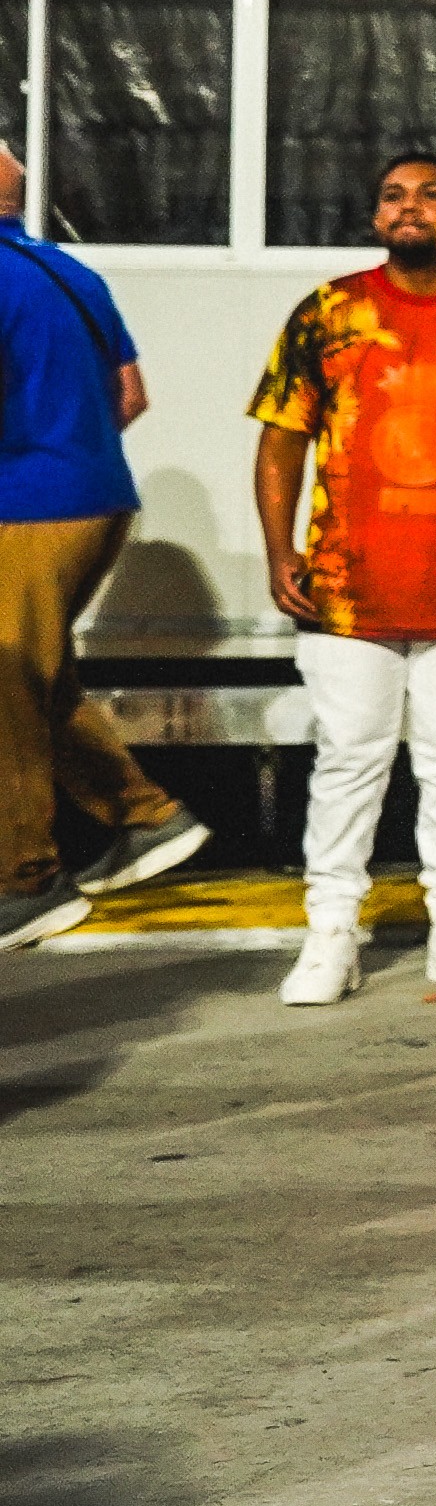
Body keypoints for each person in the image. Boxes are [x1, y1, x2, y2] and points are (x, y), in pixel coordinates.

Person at [249, 151, 436, 1005]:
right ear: (373, 216)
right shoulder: (332, 310)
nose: (410, 206)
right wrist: (280, 548)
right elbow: (282, 434)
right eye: (392, 194)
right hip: (348, 586)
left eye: (432, 193)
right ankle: (331, 935)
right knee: (348, 760)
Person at [0, 134, 206, 955]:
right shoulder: (71, 274)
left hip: (26, 506)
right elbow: (131, 394)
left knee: (5, 687)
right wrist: (69, 447)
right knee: (39, 680)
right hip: (99, 496)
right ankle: (146, 818)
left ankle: (26, 879)